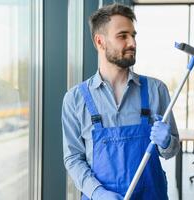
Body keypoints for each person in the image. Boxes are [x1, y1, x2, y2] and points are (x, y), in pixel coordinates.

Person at [62, 3, 180, 200]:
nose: (132, 42)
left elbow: (171, 151)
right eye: (122, 36)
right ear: (100, 42)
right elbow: (73, 158)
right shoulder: (75, 99)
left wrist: (167, 142)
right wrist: (98, 193)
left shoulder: (156, 90)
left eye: (133, 35)